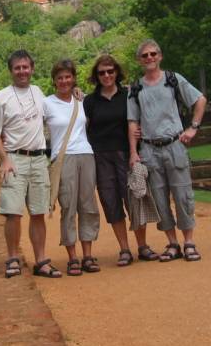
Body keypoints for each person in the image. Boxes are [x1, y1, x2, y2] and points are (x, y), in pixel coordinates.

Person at [0, 49, 62, 278]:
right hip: (14, 159)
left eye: (25, 67)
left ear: (32, 68)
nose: (22, 71)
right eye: (17, 68)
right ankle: (12, 257)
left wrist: (75, 93)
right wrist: (4, 159)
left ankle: (41, 261)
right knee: (13, 212)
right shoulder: (1, 96)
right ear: (11, 71)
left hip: (38, 158)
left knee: (38, 212)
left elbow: (58, 106)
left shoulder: (38, 92)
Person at [127, 39, 207, 262]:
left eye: (153, 54)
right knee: (160, 199)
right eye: (145, 55)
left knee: (182, 195)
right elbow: (132, 121)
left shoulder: (173, 79)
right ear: (139, 60)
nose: (150, 58)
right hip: (150, 149)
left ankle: (188, 241)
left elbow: (200, 100)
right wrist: (134, 152)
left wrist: (193, 127)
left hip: (174, 145)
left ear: (160, 56)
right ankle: (172, 243)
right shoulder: (136, 87)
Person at [83, 55, 159, 266]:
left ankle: (142, 246)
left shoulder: (128, 96)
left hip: (127, 155)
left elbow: (139, 121)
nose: (106, 75)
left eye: (110, 71)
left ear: (116, 72)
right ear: (96, 76)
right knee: (111, 201)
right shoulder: (90, 101)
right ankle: (124, 249)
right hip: (101, 157)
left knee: (135, 198)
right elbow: (84, 128)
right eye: (102, 72)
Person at [44, 59, 101, 276]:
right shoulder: (47, 103)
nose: (64, 81)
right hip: (63, 157)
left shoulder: (82, 100)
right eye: (60, 78)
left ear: (73, 78)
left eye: (68, 77)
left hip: (86, 154)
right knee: (68, 206)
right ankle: (72, 257)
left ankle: (87, 255)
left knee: (88, 205)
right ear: (54, 81)